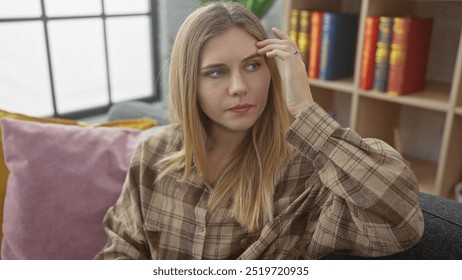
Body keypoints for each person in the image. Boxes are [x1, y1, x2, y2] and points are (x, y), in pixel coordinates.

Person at [95, 2, 423, 260]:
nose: (240, 87)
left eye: (253, 66)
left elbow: (402, 223)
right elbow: (122, 251)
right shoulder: (152, 155)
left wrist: (305, 111)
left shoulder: (309, 172)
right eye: (216, 72)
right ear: (188, 84)